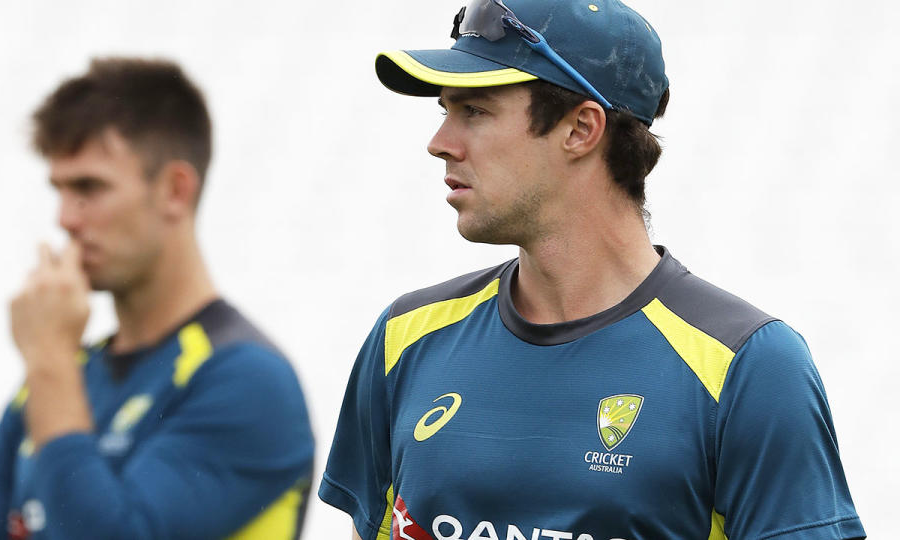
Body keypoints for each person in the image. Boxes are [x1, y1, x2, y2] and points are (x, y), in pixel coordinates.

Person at [318, 1, 865, 539]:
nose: (440, 144)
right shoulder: (405, 338)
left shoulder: (749, 366)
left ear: (581, 129)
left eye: (475, 112)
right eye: (445, 112)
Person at [0, 58, 314, 540]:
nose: (65, 219)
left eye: (88, 187)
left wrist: (49, 363)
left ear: (174, 190)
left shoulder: (248, 379)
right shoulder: (56, 377)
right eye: (58, 189)